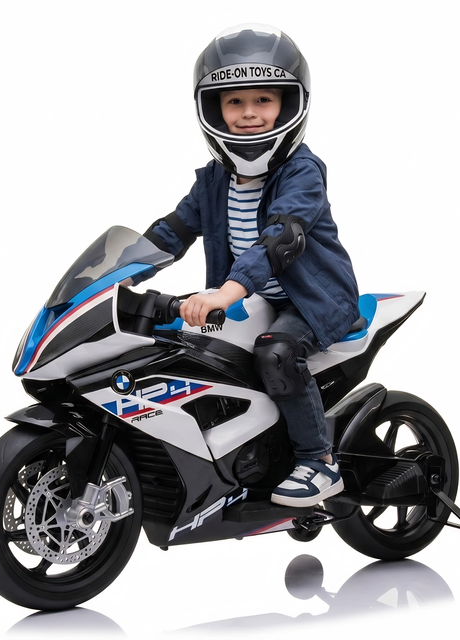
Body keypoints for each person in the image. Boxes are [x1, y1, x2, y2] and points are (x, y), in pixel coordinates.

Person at [143, 24, 359, 507]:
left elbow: (282, 239)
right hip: (253, 296)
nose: (248, 113)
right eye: (234, 101)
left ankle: (318, 460)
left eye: (263, 99)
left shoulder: (302, 172)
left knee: (276, 352)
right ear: (212, 109)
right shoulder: (213, 181)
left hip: (314, 301)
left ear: (289, 104)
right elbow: (171, 231)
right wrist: (116, 272)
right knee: (185, 347)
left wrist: (227, 291)